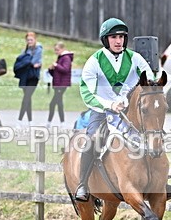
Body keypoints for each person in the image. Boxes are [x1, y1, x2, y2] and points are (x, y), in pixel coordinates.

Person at [73, 17, 155, 201]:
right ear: (105, 40)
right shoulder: (94, 61)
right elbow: (87, 93)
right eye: (113, 37)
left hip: (130, 111)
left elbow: (150, 78)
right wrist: (110, 105)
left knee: (154, 135)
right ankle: (82, 185)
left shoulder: (135, 58)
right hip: (102, 111)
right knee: (92, 139)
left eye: (121, 37)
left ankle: (160, 181)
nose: (118, 41)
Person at [13, 31, 43, 126]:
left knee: (26, 98)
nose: (29, 41)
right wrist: (29, 63)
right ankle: (30, 121)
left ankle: (19, 120)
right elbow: (21, 60)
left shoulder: (38, 49)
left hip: (33, 77)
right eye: (28, 40)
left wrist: (28, 62)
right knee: (27, 99)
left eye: (31, 40)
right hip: (25, 76)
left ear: (35, 40)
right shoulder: (25, 50)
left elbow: (33, 61)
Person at [47, 42, 73, 128]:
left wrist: (56, 65)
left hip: (62, 84)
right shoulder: (60, 58)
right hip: (57, 84)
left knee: (54, 103)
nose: (56, 51)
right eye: (55, 50)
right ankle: (60, 123)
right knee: (58, 103)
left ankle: (52, 122)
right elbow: (56, 73)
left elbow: (65, 69)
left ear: (62, 49)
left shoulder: (66, 58)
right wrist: (51, 69)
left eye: (57, 50)